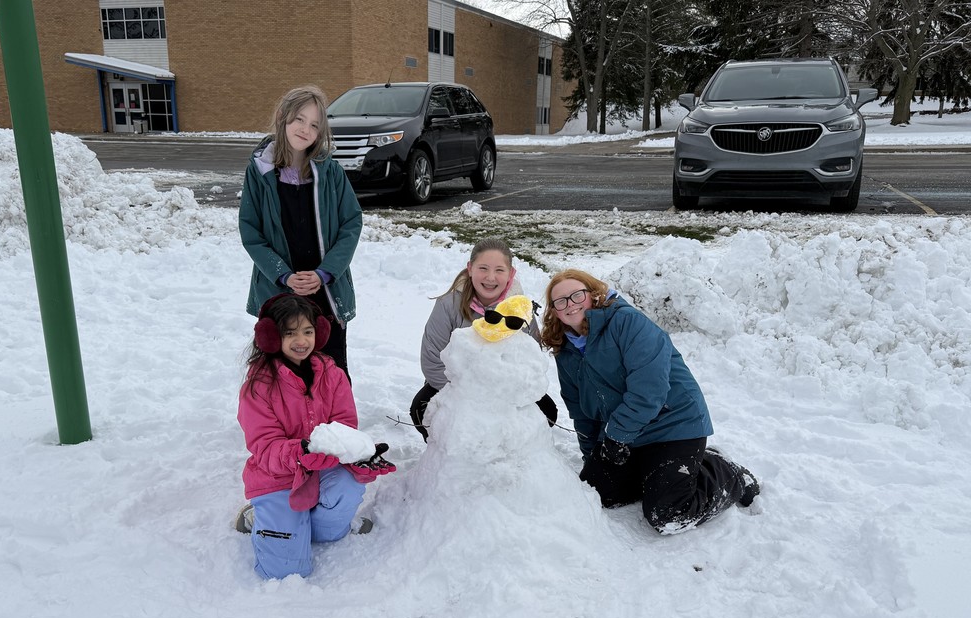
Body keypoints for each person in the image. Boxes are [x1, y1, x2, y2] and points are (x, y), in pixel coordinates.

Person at [541, 269, 759, 535]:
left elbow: (650, 391)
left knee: (668, 514)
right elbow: (581, 410)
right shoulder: (566, 349)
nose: (570, 304)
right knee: (595, 493)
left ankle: (726, 471)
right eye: (560, 301)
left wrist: (617, 435)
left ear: (593, 295)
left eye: (577, 295)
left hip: (673, 424)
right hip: (627, 434)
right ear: (554, 310)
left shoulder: (627, 322)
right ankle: (659, 475)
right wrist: (593, 457)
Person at [237, 294, 392, 579]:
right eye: (290, 332)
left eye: (308, 331)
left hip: (324, 470)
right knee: (285, 572)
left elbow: (344, 424)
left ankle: (307, 526)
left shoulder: (332, 374)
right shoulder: (259, 384)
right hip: (278, 476)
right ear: (271, 337)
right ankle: (260, 517)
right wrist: (301, 451)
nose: (302, 340)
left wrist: (356, 453)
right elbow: (264, 446)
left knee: (348, 489)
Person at [239, 85, 362, 378]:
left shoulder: (331, 173)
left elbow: (351, 223)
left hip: (326, 291)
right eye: (299, 119)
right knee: (283, 373)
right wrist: (284, 275)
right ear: (283, 116)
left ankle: (335, 424)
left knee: (331, 370)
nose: (305, 129)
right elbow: (251, 230)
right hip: (279, 289)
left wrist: (324, 273)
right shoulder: (259, 173)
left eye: (314, 125)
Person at [410, 237, 558, 440]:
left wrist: (501, 397)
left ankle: (512, 452)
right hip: (457, 386)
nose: (490, 277)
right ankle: (450, 452)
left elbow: (530, 360)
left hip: (505, 389)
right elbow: (433, 361)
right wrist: (473, 398)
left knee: (547, 412)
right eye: (483, 268)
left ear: (511, 274)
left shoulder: (519, 309)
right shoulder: (448, 305)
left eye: (499, 270)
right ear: (470, 269)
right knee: (421, 410)